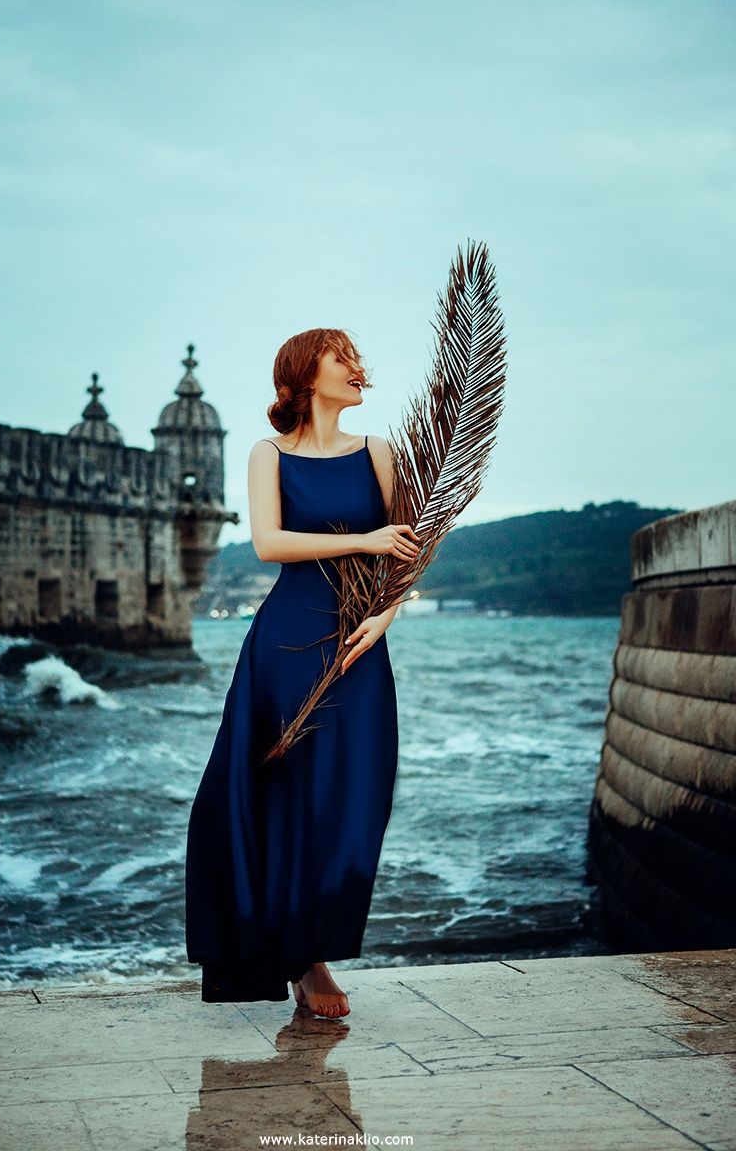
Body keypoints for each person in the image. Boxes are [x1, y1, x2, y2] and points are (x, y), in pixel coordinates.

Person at [185, 328, 419, 1018]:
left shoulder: (380, 453)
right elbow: (268, 543)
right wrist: (361, 539)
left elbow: (410, 546)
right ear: (303, 374)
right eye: (340, 357)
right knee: (277, 794)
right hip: (287, 643)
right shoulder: (270, 454)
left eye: (357, 360)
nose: (356, 369)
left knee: (352, 795)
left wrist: (389, 614)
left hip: (358, 644)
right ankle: (304, 960)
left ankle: (315, 938)